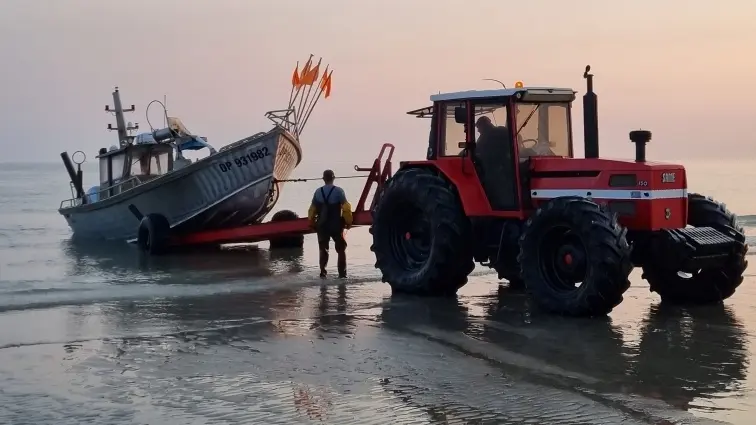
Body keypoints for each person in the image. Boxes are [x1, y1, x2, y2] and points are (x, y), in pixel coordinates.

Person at [308, 169, 353, 278]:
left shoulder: (318, 192)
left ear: (323, 179)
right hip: (336, 225)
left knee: (323, 248)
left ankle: (323, 272)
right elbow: (346, 207)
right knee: (341, 249)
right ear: (333, 178)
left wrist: (312, 223)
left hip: (322, 225)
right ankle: (342, 275)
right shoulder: (339, 191)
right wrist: (348, 222)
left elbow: (312, 210)